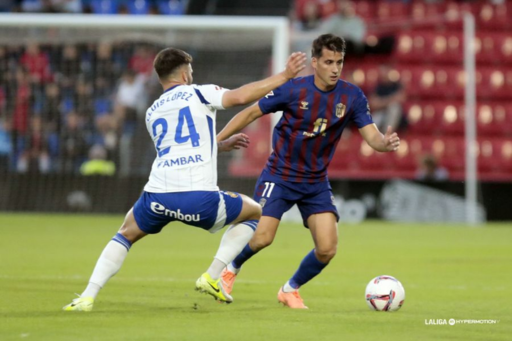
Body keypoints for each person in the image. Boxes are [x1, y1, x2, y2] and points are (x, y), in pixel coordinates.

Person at [62, 47, 306, 311]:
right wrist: (284, 75)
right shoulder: (199, 92)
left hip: (157, 194)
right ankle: (212, 276)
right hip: (198, 197)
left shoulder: (152, 111)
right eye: (190, 69)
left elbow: (179, 147)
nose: (192, 73)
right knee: (254, 211)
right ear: (183, 72)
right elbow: (240, 97)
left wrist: (219, 145)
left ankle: (87, 296)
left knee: (124, 234)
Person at [216, 34, 401, 309]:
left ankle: (289, 289)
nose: (335, 68)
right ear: (314, 63)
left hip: (315, 181)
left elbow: (372, 137)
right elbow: (250, 113)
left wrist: (384, 145)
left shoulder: (351, 96)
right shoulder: (293, 90)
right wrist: (216, 142)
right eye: (329, 62)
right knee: (263, 237)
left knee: (327, 248)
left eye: (339, 61)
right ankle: (230, 268)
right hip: (279, 175)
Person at [368, 64, 406, 133]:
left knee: (394, 108)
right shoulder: (378, 87)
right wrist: (390, 100)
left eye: (386, 71)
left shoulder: (396, 85)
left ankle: (387, 134)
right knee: (376, 117)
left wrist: (382, 102)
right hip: (382, 113)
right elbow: (373, 104)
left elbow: (401, 98)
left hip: (397, 118)